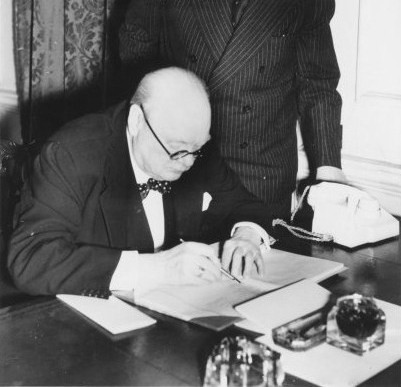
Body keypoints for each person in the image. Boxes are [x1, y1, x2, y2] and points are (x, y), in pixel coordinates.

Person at [119, 0, 347, 219]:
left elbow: (317, 83)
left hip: (261, 176)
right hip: (180, 161)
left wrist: (329, 169)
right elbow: (137, 41)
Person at [8, 67, 274, 297]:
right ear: (136, 121)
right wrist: (157, 268)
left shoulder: (191, 143)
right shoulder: (72, 153)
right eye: (177, 150)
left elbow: (244, 204)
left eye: (197, 149)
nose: (189, 162)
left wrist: (247, 236)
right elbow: (31, 259)